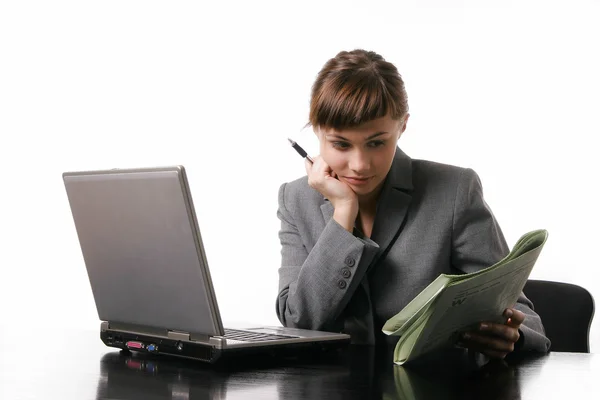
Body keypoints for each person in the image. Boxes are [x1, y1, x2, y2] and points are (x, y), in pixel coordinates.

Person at [275, 49, 550, 359]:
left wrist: (512, 334)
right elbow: (298, 320)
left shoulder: (454, 191)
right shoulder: (296, 199)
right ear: (316, 131)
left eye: (377, 142)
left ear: (402, 127)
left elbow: (527, 320)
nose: (360, 165)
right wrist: (342, 213)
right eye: (341, 144)